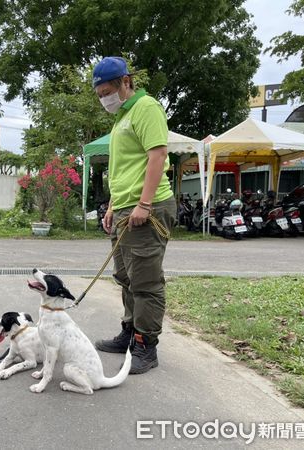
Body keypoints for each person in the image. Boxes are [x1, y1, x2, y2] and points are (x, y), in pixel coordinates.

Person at [92, 57, 176, 374]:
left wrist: (144, 203)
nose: (104, 99)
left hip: (147, 208)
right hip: (126, 208)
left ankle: (145, 346)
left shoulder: (146, 108)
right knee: (126, 278)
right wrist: (114, 207)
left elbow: (157, 156)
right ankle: (129, 333)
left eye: (108, 91)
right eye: (99, 94)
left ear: (126, 82)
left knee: (146, 283)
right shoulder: (122, 118)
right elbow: (124, 169)